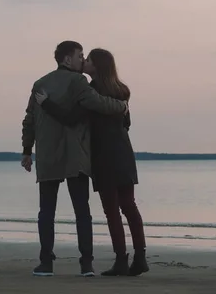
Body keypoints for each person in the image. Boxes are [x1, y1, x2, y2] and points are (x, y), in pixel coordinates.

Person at [34, 48, 149, 277]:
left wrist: (46, 103)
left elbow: (70, 118)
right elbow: (126, 123)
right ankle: (141, 257)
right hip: (123, 151)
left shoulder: (89, 91)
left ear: (96, 66)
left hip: (102, 155)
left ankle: (121, 260)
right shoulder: (121, 90)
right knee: (129, 206)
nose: (84, 62)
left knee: (112, 210)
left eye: (88, 60)